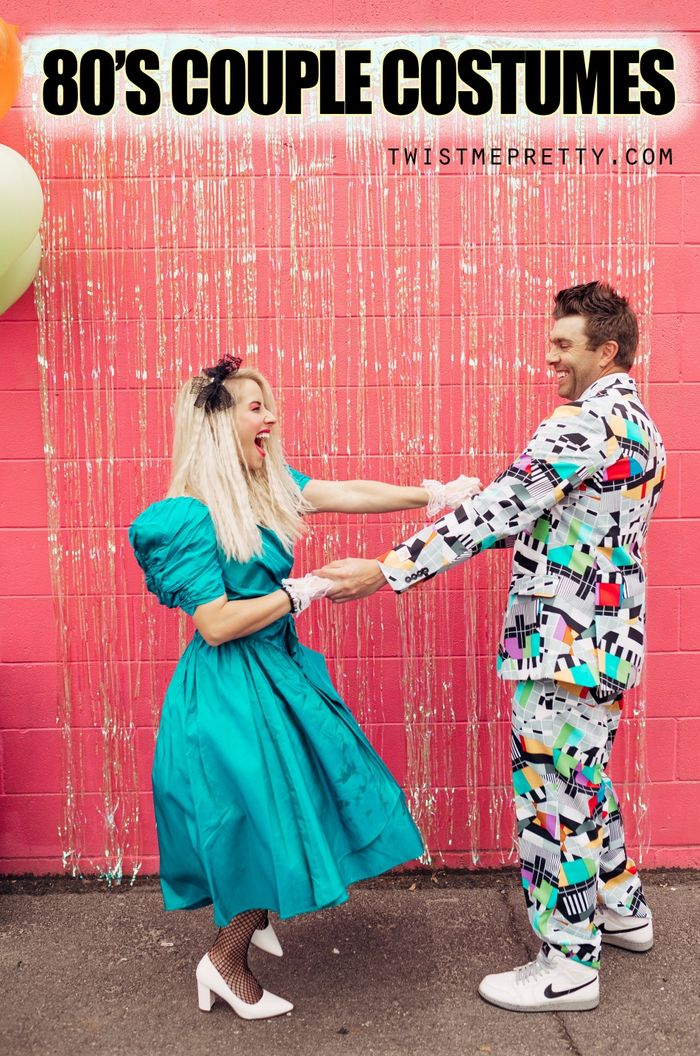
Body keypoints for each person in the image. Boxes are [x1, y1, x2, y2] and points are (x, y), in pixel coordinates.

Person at [318, 281, 666, 1013]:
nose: (550, 357)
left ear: (606, 349)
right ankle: (622, 907)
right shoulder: (640, 425)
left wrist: (388, 568)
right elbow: (542, 518)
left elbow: (499, 508)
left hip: (561, 646)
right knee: (583, 778)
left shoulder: (579, 426)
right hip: (606, 641)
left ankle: (567, 965)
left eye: (565, 345)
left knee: (554, 801)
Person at [128, 356, 480, 1021]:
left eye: (269, 404)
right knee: (261, 812)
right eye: (255, 407)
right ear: (219, 422)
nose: (272, 416)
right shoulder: (188, 516)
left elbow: (344, 490)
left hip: (274, 676)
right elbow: (217, 622)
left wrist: (432, 495)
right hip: (230, 691)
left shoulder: (268, 487)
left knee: (291, 802)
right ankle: (225, 961)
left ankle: (251, 920)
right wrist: (305, 589)